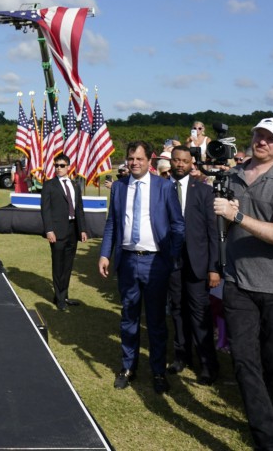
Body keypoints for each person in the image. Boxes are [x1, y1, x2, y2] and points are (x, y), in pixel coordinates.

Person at [212, 117, 273, 451]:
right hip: (239, 284)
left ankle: (270, 424)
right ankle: (268, 441)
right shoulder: (231, 176)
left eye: (270, 138)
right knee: (243, 362)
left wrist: (237, 216)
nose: (262, 141)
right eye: (258, 135)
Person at [98, 140, 185, 395]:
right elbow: (112, 224)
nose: (134, 163)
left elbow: (178, 226)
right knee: (129, 317)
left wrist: (170, 256)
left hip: (155, 262)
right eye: (131, 158)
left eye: (139, 158)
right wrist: (105, 254)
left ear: (150, 161)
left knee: (157, 321)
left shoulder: (164, 187)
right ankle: (128, 367)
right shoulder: (119, 188)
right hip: (127, 261)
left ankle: (158, 371)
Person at [165, 145, 220, 385]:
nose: (180, 164)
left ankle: (207, 364)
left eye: (184, 161)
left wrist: (214, 267)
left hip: (198, 263)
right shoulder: (162, 188)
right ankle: (181, 356)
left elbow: (213, 233)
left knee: (200, 313)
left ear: (191, 164)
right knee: (177, 309)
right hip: (170, 261)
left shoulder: (204, 192)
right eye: (176, 160)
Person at [40, 153, 87, 311]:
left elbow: (79, 208)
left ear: (68, 167)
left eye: (61, 165)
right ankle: (59, 298)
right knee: (58, 264)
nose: (58, 168)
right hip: (57, 231)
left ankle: (63, 295)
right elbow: (45, 210)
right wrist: (49, 230)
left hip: (73, 230)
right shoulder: (49, 185)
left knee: (68, 265)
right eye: (56, 165)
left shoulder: (74, 185)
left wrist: (83, 229)